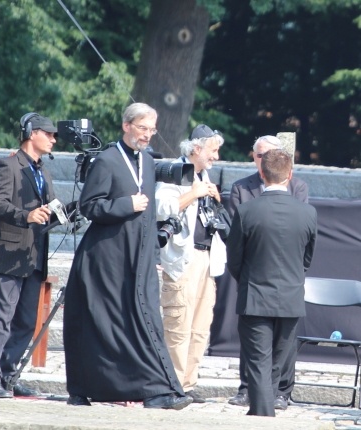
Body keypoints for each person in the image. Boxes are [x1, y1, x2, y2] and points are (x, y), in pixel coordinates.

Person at [63, 102, 191, 410]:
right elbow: (89, 206)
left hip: (140, 257)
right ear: (126, 126)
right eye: (142, 128)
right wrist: (125, 204)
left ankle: (159, 389)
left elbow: (146, 213)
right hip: (105, 260)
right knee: (103, 327)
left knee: (145, 322)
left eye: (151, 129)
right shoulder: (106, 160)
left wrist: (152, 253)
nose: (147, 135)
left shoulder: (147, 160)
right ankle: (92, 388)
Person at [227, 149, 317, 416]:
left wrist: (248, 281)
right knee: (277, 363)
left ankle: (262, 416)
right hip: (290, 298)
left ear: (262, 173)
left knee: (258, 361)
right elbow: (307, 259)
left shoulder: (245, 211)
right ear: (289, 175)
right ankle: (263, 413)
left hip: (254, 295)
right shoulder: (308, 212)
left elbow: (234, 259)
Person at [0, 113, 57, 398]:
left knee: (25, 321)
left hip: (35, 256)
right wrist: (27, 216)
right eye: (48, 133)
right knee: (1, 317)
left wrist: (66, 213)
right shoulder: (6, 165)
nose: (53, 139)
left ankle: (8, 376)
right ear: (31, 133)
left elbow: (46, 213)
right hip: (10, 254)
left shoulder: (44, 172)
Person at [155, 124, 226, 403]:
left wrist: (214, 199)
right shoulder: (175, 173)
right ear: (197, 149)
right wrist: (195, 193)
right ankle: (172, 383)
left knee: (200, 326)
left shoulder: (204, 175)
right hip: (183, 259)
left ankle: (189, 383)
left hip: (207, 258)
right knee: (178, 323)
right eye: (213, 150)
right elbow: (161, 209)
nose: (216, 157)